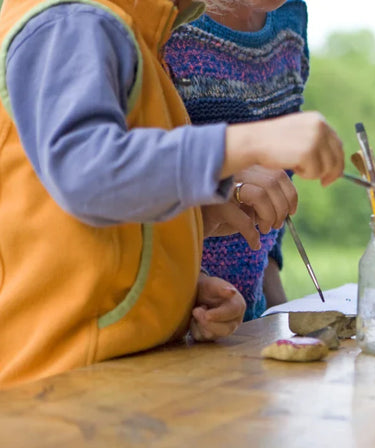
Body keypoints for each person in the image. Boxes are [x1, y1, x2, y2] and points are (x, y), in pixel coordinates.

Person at [0, 0, 345, 388]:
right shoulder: (72, 20)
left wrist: (186, 287)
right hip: (54, 392)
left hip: (118, 385)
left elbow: (106, 225)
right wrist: (250, 142)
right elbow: (87, 173)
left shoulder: (143, 36)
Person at [164, 0, 309, 321]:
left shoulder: (291, 18)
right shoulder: (161, 19)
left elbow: (271, 208)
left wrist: (277, 316)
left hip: (245, 324)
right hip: (169, 317)